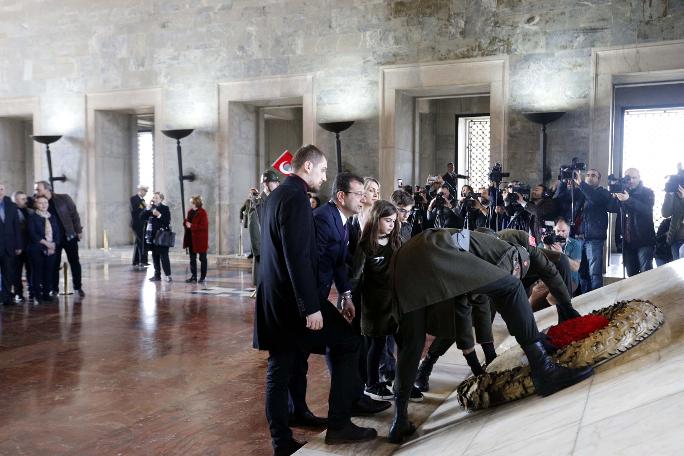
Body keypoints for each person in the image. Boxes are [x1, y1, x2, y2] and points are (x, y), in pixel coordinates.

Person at [387, 228, 593, 444]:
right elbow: (504, 293)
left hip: (405, 258)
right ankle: (543, 370)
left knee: (412, 342)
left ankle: (399, 419)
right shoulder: (512, 251)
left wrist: (564, 307)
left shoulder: (479, 247)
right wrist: (563, 308)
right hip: (433, 248)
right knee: (512, 288)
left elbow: (463, 306)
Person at [253, 145, 376, 456]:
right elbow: (297, 256)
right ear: (307, 166)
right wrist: (311, 307)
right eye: (322, 171)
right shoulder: (295, 197)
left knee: (283, 365)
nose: (324, 177)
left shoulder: (279, 194)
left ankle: (286, 434)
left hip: (276, 297)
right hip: (292, 301)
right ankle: (338, 425)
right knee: (346, 342)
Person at [314, 172, 390, 418]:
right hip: (315, 297)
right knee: (344, 344)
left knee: (354, 342)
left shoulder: (344, 220)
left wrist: (344, 293)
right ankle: (345, 410)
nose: (368, 197)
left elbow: (337, 262)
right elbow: (314, 263)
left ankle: (354, 399)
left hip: (346, 291)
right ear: (341, 195)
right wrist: (314, 305)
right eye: (361, 193)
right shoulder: (325, 219)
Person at [351, 201, 411, 402]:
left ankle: (402, 382)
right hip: (374, 304)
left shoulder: (397, 241)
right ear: (376, 220)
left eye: (394, 221)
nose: (392, 224)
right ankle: (372, 384)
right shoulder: (365, 245)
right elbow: (355, 277)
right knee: (376, 345)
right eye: (387, 221)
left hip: (396, 302)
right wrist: (348, 300)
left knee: (401, 342)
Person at [554, 169, 612, 293]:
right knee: (582, 273)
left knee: (594, 273)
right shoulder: (579, 192)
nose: (590, 177)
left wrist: (581, 184)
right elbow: (559, 198)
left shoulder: (603, 193)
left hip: (594, 239)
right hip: (578, 237)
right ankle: (585, 300)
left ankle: (597, 300)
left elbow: (595, 198)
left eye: (594, 175)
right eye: (588, 175)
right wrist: (563, 182)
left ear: (599, 179)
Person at [34, 181, 85, 297]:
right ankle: (54, 289)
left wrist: (79, 230)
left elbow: (74, 214)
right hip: (53, 240)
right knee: (54, 264)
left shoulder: (64, 198)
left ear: (47, 189)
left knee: (74, 262)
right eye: (36, 190)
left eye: (38, 189)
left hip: (69, 236)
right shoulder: (37, 202)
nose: (36, 192)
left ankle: (78, 287)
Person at [614, 168, 656, 276]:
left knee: (645, 273)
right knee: (631, 274)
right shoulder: (621, 192)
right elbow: (618, 215)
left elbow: (646, 210)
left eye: (634, 177)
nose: (631, 180)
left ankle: (647, 294)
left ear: (639, 178)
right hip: (627, 242)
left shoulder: (648, 192)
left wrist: (628, 200)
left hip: (644, 240)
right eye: (628, 178)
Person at [247, 170, 281, 286]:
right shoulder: (258, 202)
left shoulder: (275, 199)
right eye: (274, 182)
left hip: (275, 248)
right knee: (265, 284)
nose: (277, 185)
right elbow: (254, 227)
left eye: (277, 182)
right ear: (266, 184)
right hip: (264, 250)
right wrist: (258, 251)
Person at [27, 195, 61, 303]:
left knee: (48, 272)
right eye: (41, 203)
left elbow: (57, 233)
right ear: (36, 204)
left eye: (45, 203)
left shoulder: (52, 217)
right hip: (36, 248)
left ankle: (47, 294)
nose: (43, 205)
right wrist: (47, 244)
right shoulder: (32, 217)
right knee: (37, 272)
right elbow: (32, 234)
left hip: (51, 248)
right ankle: (37, 295)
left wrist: (54, 244)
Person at [0, 183, 21, 306]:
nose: (0, 191)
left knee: (8, 273)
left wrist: (18, 245)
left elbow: (16, 227)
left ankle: (7, 298)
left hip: (9, 246)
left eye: (1, 189)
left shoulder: (12, 206)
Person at [143, 192, 172, 282]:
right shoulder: (151, 209)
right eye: (153, 197)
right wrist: (147, 209)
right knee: (155, 256)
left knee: (164, 256)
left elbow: (167, 221)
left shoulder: (165, 208)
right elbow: (141, 217)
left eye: (156, 197)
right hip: (152, 235)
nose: (154, 199)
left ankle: (168, 275)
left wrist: (159, 215)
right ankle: (157, 275)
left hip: (162, 235)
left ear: (161, 199)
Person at [12, 191, 32, 302]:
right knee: (17, 271)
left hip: (29, 246)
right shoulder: (12, 212)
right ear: (15, 200)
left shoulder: (29, 211)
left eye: (25, 198)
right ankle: (18, 293)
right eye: (22, 199)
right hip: (17, 247)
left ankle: (31, 291)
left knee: (30, 269)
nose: (26, 201)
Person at [183, 195, 209, 283]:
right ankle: (193, 276)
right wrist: (185, 223)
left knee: (202, 259)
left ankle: (203, 277)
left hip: (200, 239)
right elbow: (187, 221)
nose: (191, 204)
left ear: (196, 203)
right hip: (191, 239)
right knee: (192, 259)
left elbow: (204, 226)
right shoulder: (190, 211)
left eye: (192, 203)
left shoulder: (202, 212)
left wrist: (192, 226)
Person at [661, 183, 684, 261]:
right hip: (675, 238)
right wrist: (670, 193)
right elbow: (665, 213)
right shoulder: (675, 194)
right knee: (678, 271)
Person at [130, 185, 149, 269]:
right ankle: (143, 261)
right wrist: (145, 207)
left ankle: (136, 261)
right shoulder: (134, 198)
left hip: (142, 223)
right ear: (140, 190)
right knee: (142, 241)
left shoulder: (143, 200)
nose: (145, 193)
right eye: (144, 191)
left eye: (146, 191)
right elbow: (136, 209)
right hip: (136, 223)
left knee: (138, 242)